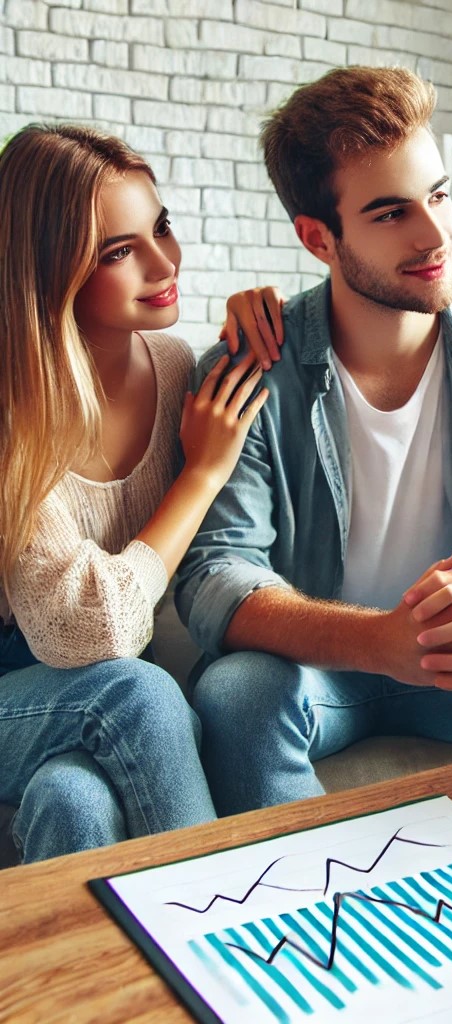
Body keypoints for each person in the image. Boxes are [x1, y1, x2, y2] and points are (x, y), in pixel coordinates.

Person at [174, 65, 452, 817]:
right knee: (238, 693)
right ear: (319, 237)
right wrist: (382, 642)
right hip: (325, 674)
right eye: (390, 214)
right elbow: (216, 575)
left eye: (440, 195)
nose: (435, 234)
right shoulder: (252, 366)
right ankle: (299, 906)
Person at [0, 123, 271, 862]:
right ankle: (236, 934)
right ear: (48, 272)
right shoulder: (12, 417)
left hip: (90, 680)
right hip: (32, 675)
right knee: (140, 694)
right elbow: (88, 631)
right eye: (119, 252)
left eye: (162, 229)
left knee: (72, 801)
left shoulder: (177, 365)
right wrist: (201, 472)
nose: (164, 263)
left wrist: (258, 325)